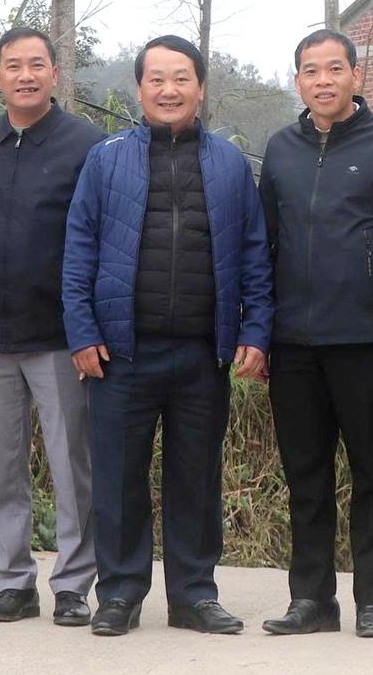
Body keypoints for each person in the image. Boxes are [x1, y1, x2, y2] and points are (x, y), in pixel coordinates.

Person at [61, 34, 273, 638]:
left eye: (181, 78)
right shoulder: (106, 160)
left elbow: (254, 254)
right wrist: (82, 331)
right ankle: (119, 594)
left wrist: (256, 330)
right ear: (139, 89)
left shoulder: (229, 164)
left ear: (200, 87)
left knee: (196, 479)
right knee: (117, 479)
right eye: (156, 79)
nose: (169, 90)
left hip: (203, 353)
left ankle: (194, 595)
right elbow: (78, 250)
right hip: (121, 352)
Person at [256, 29, 373, 640]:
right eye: (311, 71)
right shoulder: (281, 149)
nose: (323, 80)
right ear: (298, 81)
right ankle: (311, 599)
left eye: (335, 68)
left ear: (357, 75)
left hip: (367, 344)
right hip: (293, 344)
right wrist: (261, 332)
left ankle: (372, 600)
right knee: (305, 477)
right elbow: (263, 247)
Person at [0, 26, 105, 626]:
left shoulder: (87, 144)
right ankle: (13, 581)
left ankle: (73, 584)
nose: (25, 75)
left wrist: (89, 326)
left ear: (54, 73)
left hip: (60, 337)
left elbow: (97, 238)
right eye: (13, 65)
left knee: (72, 468)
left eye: (36, 64)